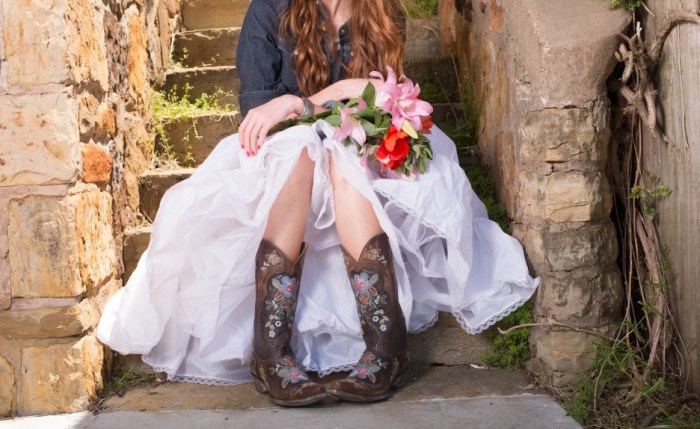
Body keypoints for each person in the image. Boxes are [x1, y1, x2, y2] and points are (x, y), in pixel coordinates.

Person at [97, 0, 539, 407]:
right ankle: (270, 354)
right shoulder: (270, 9)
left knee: (342, 155)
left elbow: (381, 96)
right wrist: (318, 107)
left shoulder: (381, 9)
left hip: (359, 159)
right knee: (305, 149)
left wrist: (303, 102)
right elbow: (261, 115)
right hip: (286, 162)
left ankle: (386, 348)